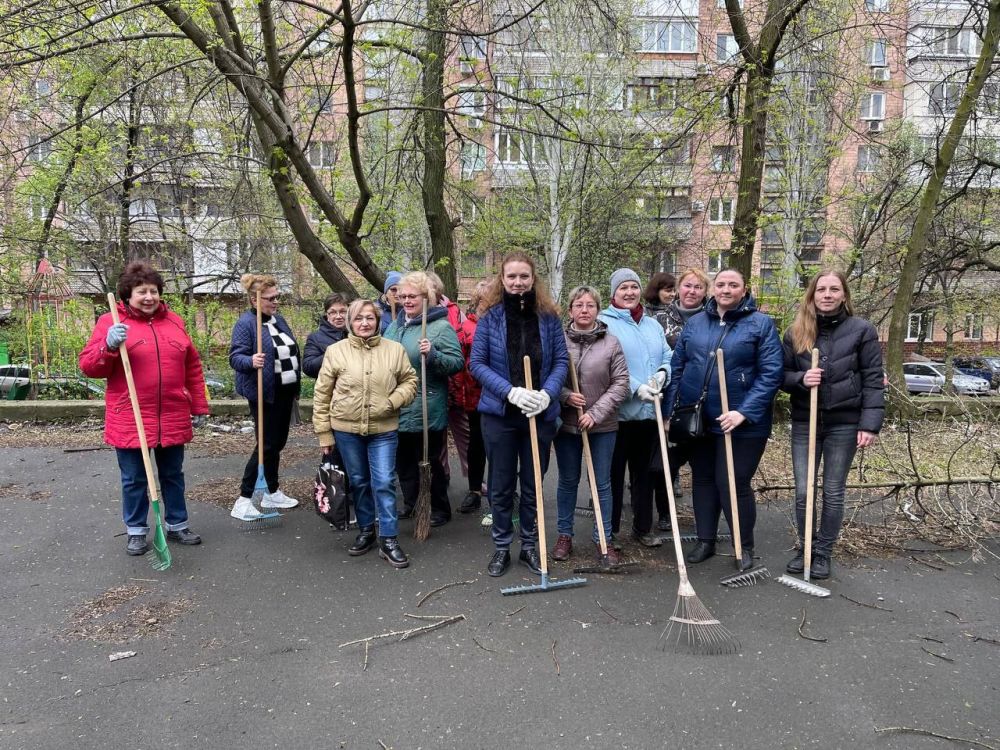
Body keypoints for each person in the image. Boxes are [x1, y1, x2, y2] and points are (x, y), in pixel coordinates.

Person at [79, 261, 208, 555]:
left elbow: (192, 366)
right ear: (128, 294)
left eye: (153, 291)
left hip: (173, 413)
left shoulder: (175, 321)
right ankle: (136, 530)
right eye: (141, 292)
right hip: (130, 416)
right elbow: (89, 366)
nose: (149, 297)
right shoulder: (110, 322)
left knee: (173, 475)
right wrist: (107, 347)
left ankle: (177, 525)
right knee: (134, 478)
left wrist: (198, 406)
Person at [663, 269, 783, 566]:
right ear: (712, 289)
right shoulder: (696, 323)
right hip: (699, 418)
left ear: (744, 290)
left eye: (733, 285)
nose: (726, 289)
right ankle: (706, 540)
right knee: (703, 479)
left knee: (733, 481)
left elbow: (771, 374)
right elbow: (678, 367)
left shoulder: (761, 324)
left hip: (741, 422)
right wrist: (671, 412)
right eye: (721, 284)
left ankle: (744, 547)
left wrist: (744, 411)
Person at [470, 251, 569, 577]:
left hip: (538, 415)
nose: (517, 282)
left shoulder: (549, 317)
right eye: (511, 276)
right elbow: (477, 364)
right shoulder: (490, 317)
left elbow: (560, 362)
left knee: (532, 484)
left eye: (523, 276)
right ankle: (501, 547)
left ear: (533, 278)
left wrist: (546, 394)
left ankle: (529, 545)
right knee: (499, 484)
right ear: (502, 279)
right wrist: (510, 391)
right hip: (500, 415)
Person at [781, 270, 884, 580]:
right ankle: (806, 548)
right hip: (805, 422)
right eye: (821, 289)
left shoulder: (862, 330)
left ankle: (823, 552)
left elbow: (873, 379)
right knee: (803, 491)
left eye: (834, 289)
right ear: (812, 295)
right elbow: (779, 376)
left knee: (833, 491)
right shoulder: (796, 332)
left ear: (843, 295)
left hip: (845, 423)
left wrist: (870, 424)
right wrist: (801, 379)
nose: (827, 294)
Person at [312, 299, 418, 567]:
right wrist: (324, 433)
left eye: (369, 318)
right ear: (350, 321)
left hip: (383, 429)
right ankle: (366, 530)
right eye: (358, 318)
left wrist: (392, 402)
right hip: (346, 430)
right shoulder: (336, 351)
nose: (364, 323)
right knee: (359, 482)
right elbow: (322, 394)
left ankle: (389, 538)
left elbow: (410, 381)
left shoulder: (394, 350)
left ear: (378, 321)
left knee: (383, 481)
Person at [552, 286, 630, 563]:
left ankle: (603, 539)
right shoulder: (558, 341)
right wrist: (565, 395)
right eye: (578, 305)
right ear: (570, 309)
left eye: (590, 305)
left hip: (602, 426)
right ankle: (564, 535)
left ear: (598, 309)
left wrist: (595, 413)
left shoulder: (611, 342)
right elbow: (547, 378)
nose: (584, 310)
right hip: (567, 425)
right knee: (568, 481)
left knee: (601, 483)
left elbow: (621, 384)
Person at [598, 268, 672, 547]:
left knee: (645, 473)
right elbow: (605, 365)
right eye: (623, 288)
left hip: (649, 414)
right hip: (618, 414)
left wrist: (663, 374)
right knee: (614, 474)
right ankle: (610, 530)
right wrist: (636, 386)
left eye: (633, 287)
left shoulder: (652, 324)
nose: (629, 292)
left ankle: (643, 528)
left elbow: (667, 355)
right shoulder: (604, 323)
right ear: (613, 293)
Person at [384, 271, 464, 526]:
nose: (406, 300)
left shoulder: (439, 327)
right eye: (402, 295)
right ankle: (412, 504)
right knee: (404, 462)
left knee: (428, 461)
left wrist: (433, 355)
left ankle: (439, 508)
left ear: (426, 297)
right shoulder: (395, 326)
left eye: (412, 296)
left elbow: (457, 363)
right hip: (397, 405)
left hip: (425, 405)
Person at [229, 273, 302, 521]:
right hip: (264, 393)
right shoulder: (246, 324)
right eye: (271, 298)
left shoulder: (278, 320)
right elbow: (235, 357)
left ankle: (272, 491)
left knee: (276, 444)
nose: (276, 302)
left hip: (284, 392)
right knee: (267, 445)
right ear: (254, 300)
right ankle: (244, 499)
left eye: (277, 297)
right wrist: (251, 360)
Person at [651, 268, 711, 524]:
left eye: (698, 287)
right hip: (670, 398)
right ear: (679, 288)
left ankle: (704, 518)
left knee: (703, 464)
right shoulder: (660, 318)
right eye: (687, 286)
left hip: (705, 401)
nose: (692, 291)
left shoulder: (715, 318)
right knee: (665, 463)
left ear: (705, 292)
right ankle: (666, 514)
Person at [456, 280, 489, 514]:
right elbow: (461, 363)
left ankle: (503, 492)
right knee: (476, 443)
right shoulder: (466, 327)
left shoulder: (503, 323)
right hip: (475, 395)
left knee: (499, 445)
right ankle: (475, 490)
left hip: (499, 394)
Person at [303, 293, 350, 378]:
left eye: (343, 311)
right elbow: (308, 368)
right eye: (333, 312)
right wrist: (332, 354)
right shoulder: (315, 338)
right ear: (327, 315)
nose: (338, 316)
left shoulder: (358, 334)